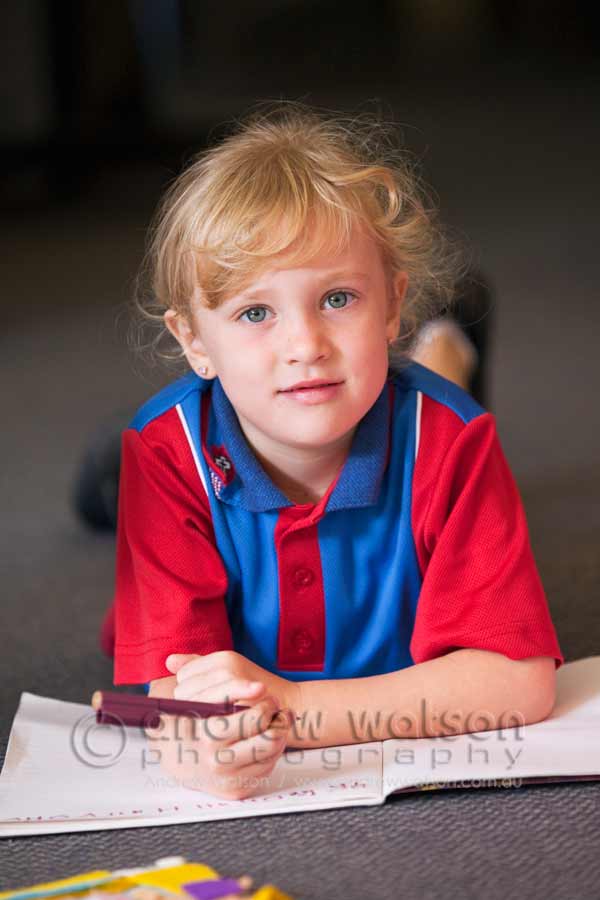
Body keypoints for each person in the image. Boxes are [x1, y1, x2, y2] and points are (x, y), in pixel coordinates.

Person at [101, 103, 562, 799]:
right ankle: (442, 341)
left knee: (433, 400)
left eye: (339, 299)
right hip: (163, 461)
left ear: (391, 305)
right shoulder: (166, 453)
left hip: (412, 409)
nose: (306, 345)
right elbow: (173, 701)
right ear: (193, 340)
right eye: (256, 312)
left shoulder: (453, 440)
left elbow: (521, 682)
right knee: (111, 486)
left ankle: (446, 342)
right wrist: (201, 747)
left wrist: (293, 712)